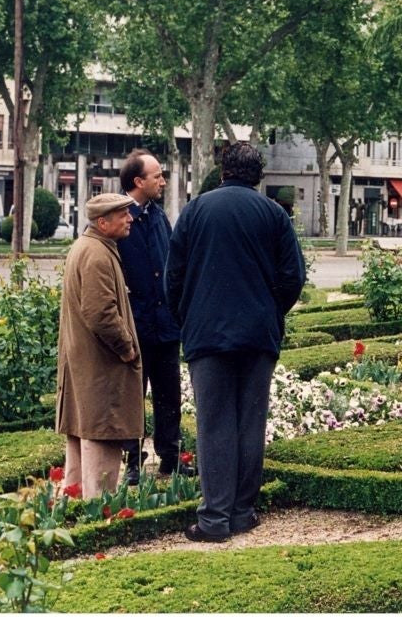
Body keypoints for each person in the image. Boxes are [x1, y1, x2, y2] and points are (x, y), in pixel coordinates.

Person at [166, 142, 306, 542]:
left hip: (206, 332)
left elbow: (172, 277)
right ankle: (243, 512)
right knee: (250, 423)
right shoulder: (274, 214)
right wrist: (270, 309)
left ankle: (214, 519)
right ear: (258, 175)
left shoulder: (195, 210)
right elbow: (293, 276)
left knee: (213, 425)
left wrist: (187, 317)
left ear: (223, 170)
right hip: (258, 334)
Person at [56, 192, 143, 498]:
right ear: (103, 223)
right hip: (101, 369)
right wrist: (127, 348)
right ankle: (100, 516)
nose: (130, 219)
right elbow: (101, 314)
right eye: (123, 215)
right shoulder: (97, 254)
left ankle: (80, 510)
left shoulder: (90, 247)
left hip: (87, 367)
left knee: (84, 442)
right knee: (103, 439)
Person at [116, 149, 187, 485]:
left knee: (169, 394)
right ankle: (132, 462)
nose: (162, 180)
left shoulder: (159, 216)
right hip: (136, 326)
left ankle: (170, 459)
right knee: (133, 396)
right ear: (138, 181)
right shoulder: (118, 219)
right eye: (157, 175)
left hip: (165, 326)